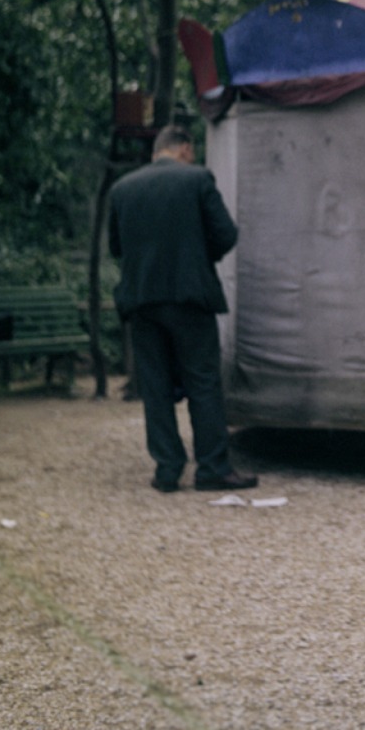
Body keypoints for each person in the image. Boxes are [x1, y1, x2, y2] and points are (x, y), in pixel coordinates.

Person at [108, 125, 256, 494]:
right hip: (189, 297)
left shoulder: (123, 188)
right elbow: (226, 233)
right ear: (185, 149)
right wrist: (198, 256)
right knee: (203, 382)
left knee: (155, 385)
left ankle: (167, 469)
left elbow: (116, 247)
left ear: (157, 150)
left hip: (141, 299)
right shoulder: (197, 179)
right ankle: (212, 467)